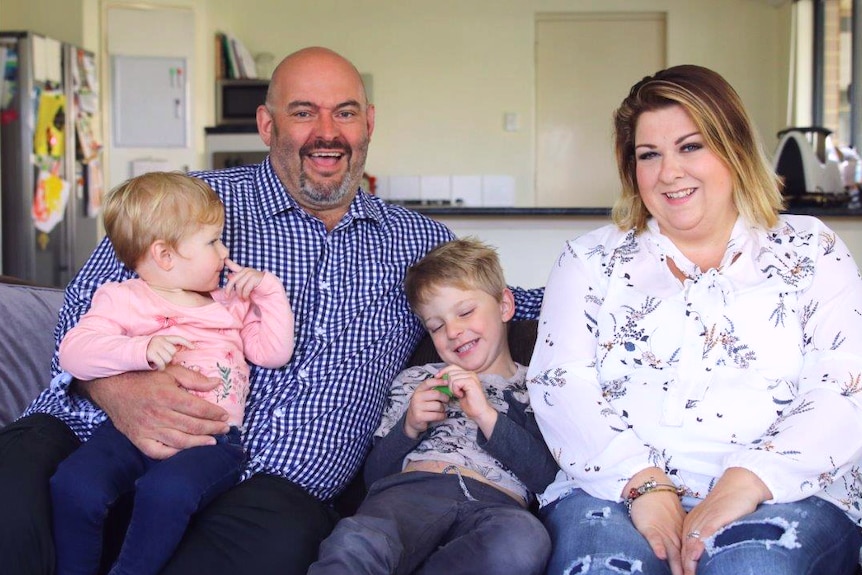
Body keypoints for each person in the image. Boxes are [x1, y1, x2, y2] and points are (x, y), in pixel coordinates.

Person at [0, 46, 543, 575]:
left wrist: (612, 291)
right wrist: (120, 392)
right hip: (97, 434)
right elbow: (81, 310)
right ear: (266, 124)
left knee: (268, 547)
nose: (327, 132)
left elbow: (497, 300)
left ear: (368, 124)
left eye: (346, 112)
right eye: (304, 112)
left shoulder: (416, 241)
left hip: (275, 487)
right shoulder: (195, 203)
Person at [526, 63, 862, 575]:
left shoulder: (811, 248)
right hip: (614, 490)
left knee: (752, 568)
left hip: (789, 491)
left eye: (691, 146)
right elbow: (559, 383)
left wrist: (745, 481)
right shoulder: (588, 261)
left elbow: (846, 382)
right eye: (649, 155)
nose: (669, 173)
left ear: (734, 148)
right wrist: (645, 484)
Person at [48, 171, 295, 575]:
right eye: (213, 241)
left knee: (167, 492)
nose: (224, 250)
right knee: (73, 484)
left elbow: (273, 352)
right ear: (165, 256)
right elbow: (73, 353)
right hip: (130, 432)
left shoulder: (229, 304)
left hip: (210, 439)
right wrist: (138, 350)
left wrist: (270, 294)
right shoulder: (123, 299)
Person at [308, 238, 556, 575]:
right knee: (356, 539)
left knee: (524, 541)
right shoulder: (416, 380)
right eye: (436, 326)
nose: (453, 331)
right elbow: (375, 477)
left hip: (497, 506)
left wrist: (486, 415)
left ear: (504, 306)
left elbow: (546, 477)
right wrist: (408, 426)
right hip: (408, 495)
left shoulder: (538, 388)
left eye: (466, 311)